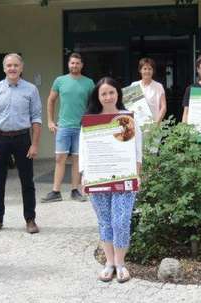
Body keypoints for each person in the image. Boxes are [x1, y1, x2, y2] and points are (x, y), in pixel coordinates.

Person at [79, 77, 143, 283]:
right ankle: (109, 263)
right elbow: (83, 149)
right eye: (103, 93)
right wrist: (83, 175)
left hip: (124, 178)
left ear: (118, 94)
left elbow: (137, 150)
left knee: (121, 220)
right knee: (105, 221)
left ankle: (121, 263)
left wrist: (137, 173)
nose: (108, 97)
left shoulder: (127, 118)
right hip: (98, 178)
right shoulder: (90, 120)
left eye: (111, 92)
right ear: (98, 97)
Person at [0, 53, 43, 235]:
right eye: (9, 65)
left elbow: (37, 119)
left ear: (21, 67)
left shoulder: (31, 90)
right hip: (0, 139)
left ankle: (30, 219)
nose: (12, 68)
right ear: (4, 68)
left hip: (22, 139)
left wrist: (34, 145)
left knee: (27, 182)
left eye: (16, 65)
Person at [41, 53, 94, 203]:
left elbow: (94, 104)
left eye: (77, 63)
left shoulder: (89, 82)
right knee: (59, 159)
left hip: (81, 127)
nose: (74, 66)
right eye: (72, 63)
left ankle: (74, 190)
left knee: (77, 159)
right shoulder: (60, 81)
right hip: (63, 126)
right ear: (68, 64)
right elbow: (50, 100)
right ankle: (55, 191)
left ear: (82, 65)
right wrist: (50, 121)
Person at [130, 57, 167, 124]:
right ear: (140, 70)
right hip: (137, 125)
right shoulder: (134, 85)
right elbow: (130, 108)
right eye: (145, 69)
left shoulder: (159, 86)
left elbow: (163, 107)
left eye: (150, 69)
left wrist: (156, 124)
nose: (147, 71)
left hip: (154, 125)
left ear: (153, 71)